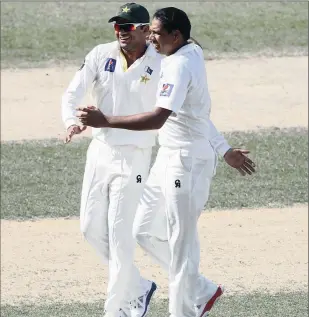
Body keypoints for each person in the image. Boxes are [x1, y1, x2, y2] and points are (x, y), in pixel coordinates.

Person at [77, 6, 256, 317]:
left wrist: (104, 120)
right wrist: (224, 149)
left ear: (176, 35)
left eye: (157, 33)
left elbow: (158, 118)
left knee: (182, 244)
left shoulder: (177, 66)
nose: (151, 37)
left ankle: (184, 310)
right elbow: (198, 114)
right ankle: (200, 289)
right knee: (143, 231)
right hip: (168, 158)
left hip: (186, 163)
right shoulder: (190, 51)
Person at [62, 3, 161, 317]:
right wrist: (71, 122)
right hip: (100, 151)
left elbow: (162, 114)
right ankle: (138, 287)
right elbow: (72, 94)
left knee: (120, 239)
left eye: (129, 27)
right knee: (90, 228)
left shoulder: (161, 63)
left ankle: (116, 309)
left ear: (145, 30)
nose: (122, 32)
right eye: (118, 26)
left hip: (134, 156)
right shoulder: (100, 54)